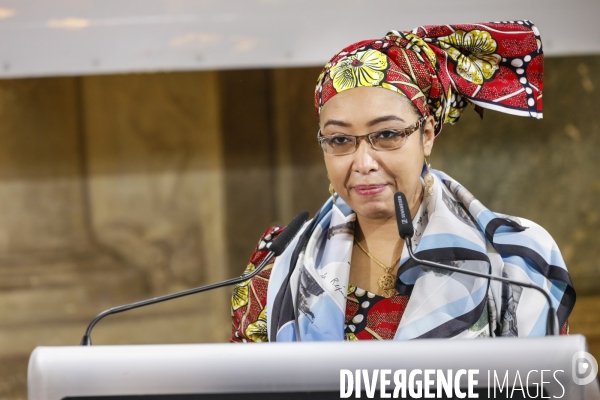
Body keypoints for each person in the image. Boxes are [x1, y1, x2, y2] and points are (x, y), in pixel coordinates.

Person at [231, 20, 575, 342]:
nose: (363, 163)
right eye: (339, 140)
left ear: (426, 135)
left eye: (387, 134)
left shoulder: (516, 259)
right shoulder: (279, 261)